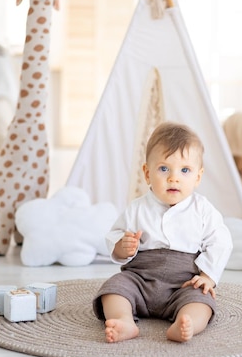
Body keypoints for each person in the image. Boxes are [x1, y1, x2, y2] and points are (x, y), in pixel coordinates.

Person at [92, 122, 233, 343]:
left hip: (184, 284)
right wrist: (122, 246)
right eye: (164, 169)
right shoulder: (137, 208)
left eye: (185, 170)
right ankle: (124, 320)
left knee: (202, 301)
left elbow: (220, 241)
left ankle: (187, 324)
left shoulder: (203, 210)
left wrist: (207, 277)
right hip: (139, 278)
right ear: (147, 174)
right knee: (113, 289)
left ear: (198, 177)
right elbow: (115, 235)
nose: (173, 178)